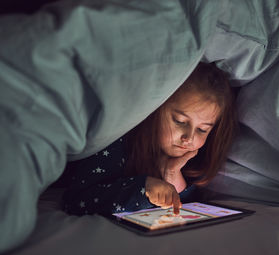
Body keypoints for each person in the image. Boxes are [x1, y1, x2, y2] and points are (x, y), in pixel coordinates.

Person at [61, 62, 237, 216]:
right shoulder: (118, 140)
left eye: (202, 129)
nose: (189, 138)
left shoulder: (188, 159)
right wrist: (143, 188)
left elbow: (185, 207)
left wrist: (172, 174)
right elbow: (76, 200)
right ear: (155, 108)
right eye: (180, 121)